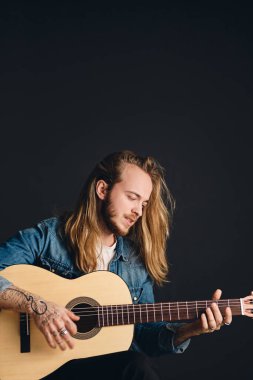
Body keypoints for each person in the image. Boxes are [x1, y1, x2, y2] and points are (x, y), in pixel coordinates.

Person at [0, 150, 232, 380]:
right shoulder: (48, 238)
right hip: (37, 369)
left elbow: (144, 337)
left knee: (136, 366)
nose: (138, 212)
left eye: (144, 203)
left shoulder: (135, 265)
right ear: (102, 189)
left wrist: (190, 330)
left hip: (95, 371)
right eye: (132, 197)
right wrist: (37, 306)